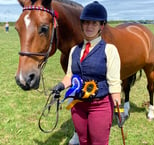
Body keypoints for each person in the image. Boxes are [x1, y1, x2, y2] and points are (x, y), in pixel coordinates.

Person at [52, 1, 123, 145]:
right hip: (78, 106)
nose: (89, 27)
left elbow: (114, 83)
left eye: (94, 23)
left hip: (100, 106)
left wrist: (119, 110)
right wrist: (60, 85)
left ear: (101, 26)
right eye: (86, 23)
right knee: (83, 140)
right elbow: (70, 76)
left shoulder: (109, 50)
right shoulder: (74, 50)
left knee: (98, 142)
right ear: (81, 25)